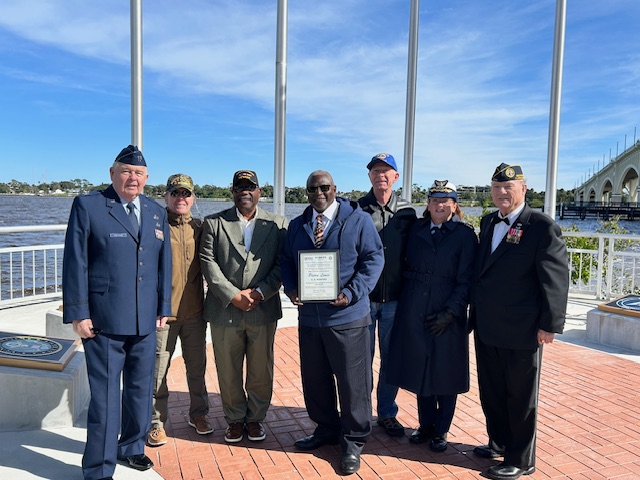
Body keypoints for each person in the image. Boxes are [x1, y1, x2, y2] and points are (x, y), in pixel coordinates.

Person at [62, 145, 172, 480]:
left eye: (138, 173)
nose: (132, 178)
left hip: (145, 320)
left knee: (140, 391)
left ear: (147, 178)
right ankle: (98, 468)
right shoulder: (89, 205)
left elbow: (163, 265)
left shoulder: (156, 211)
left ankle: (131, 447)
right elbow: (76, 261)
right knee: (106, 399)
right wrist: (79, 313)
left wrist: (163, 307)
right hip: (104, 320)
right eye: (126, 171)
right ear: (112, 174)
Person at [281, 170, 384, 475]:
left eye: (324, 187)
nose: (319, 193)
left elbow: (373, 259)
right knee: (315, 380)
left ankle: (353, 440)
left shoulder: (358, 220)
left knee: (353, 384)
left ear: (335, 189)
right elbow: (286, 260)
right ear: (307, 192)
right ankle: (326, 428)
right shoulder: (298, 225)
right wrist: (292, 288)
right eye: (313, 189)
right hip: (311, 319)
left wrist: (350, 293)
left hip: (347, 317)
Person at [471, 163, 569, 480]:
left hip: (522, 329)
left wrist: (550, 324)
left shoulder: (541, 225)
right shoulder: (488, 222)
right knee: (492, 391)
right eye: (496, 187)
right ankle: (499, 443)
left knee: (521, 396)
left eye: (508, 187)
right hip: (487, 326)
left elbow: (555, 279)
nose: (502, 192)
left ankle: (521, 459)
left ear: (523, 189)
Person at [387, 180, 477, 452]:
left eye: (445, 200)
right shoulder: (416, 229)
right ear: (428, 204)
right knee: (420, 368)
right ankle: (425, 425)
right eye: (435, 200)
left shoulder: (464, 235)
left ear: (454, 205)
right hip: (415, 307)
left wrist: (451, 312)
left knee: (445, 371)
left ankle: (441, 429)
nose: (439, 205)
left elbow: (467, 280)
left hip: (447, 307)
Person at [199, 170, 287, 444]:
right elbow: (207, 262)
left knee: (261, 369)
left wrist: (260, 292)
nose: (244, 192)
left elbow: (282, 263)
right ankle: (235, 419)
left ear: (259, 191)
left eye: (250, 187)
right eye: (239, 187)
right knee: (227, 369)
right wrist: (233, 295)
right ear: (233, 192)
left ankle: (255, 419)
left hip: (263, 308)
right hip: (225, 309)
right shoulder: (214, 223)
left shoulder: (278, 224)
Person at [148, 174, 211, 447]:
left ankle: (199, 414)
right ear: (166, 197)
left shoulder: (200, 228)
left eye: (186, 193)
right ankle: (156, 422)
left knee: (197, 369)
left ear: (193, 198)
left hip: (195, 313)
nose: (180, 198)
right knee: (158, 372)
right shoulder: (154, 226)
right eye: (175, 193)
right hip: (163, 315)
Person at [357, 153, 416, 437]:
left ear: (396, 176)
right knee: (361, 360)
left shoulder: (408, 212)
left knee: (391, 360)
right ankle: (360, 413)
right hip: (364, 299)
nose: (380, 175)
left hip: (395, 298)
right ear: (369, 176)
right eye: (375, 171)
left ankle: (387, 413)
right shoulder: (357, 209)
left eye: (386, 171)